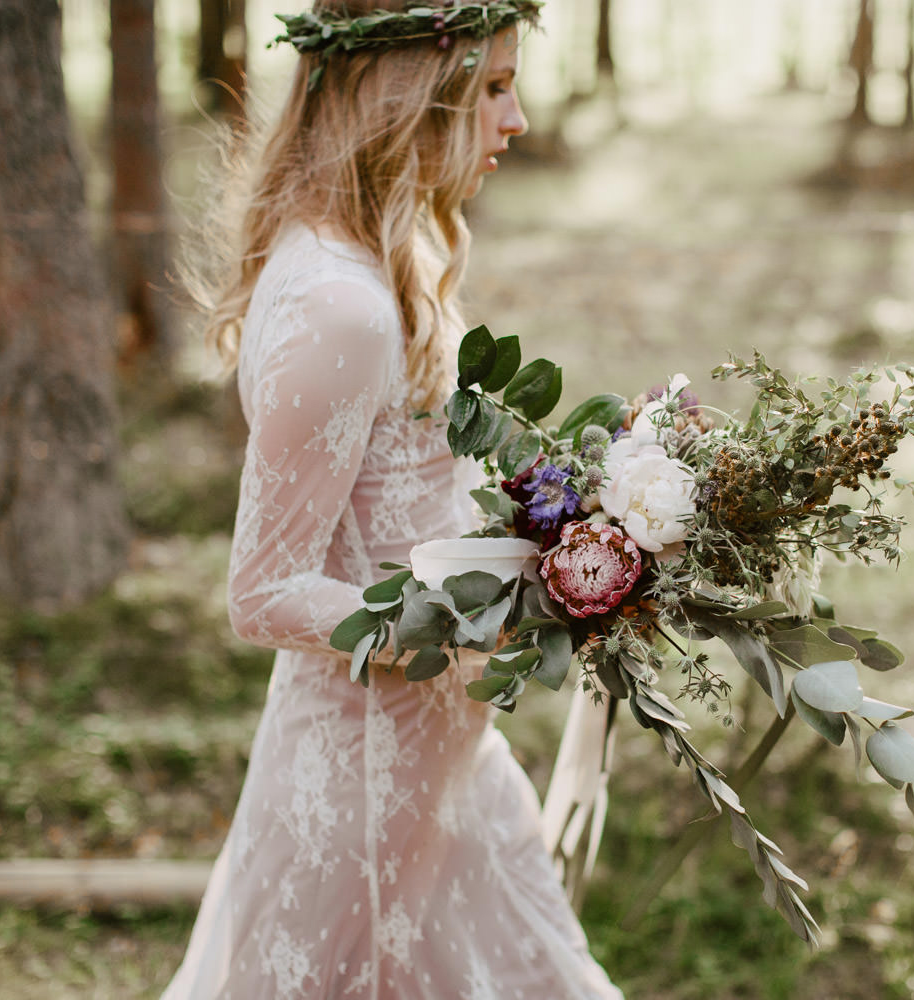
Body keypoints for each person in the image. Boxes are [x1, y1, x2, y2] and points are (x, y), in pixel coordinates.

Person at [161, 3, 624, 997]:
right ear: (415, 89)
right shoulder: (341, 303)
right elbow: (266, 589)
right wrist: (482, 622)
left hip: (438, 766)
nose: (519, 120)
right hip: (366, 792)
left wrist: (556, 538)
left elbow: (402, 498)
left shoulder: (378, 253)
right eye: (496, 86)